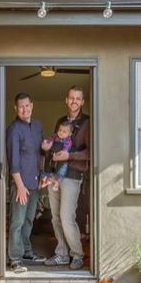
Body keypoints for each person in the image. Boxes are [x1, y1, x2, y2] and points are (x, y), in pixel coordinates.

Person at [43, 86, 90, 270]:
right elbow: (56, 145)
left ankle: (77, 255)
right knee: (55, 217)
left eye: (78, 98)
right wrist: (47, 168)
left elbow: (89, 152)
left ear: (82, 102)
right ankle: (61, 253)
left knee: (66, 216)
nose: (74, 101)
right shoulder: (60, 121)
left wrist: (69, 156)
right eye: (71, 98)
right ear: (66, 100)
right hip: (55, 174)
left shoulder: (87, 122)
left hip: (72, 175)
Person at [6, 93, 46, 273]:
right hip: (20, 184)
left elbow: (40, 154)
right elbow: (13, 160)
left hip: (35, 182)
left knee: (29, 219)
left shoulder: (38, 126)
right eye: (20, 107)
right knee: (18, 221)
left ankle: (27, 252)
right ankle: (15, 259)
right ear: (16, 109)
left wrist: (42, 175)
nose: (24, 109)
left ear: (32, 105)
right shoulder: (14, 129)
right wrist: (20, 186)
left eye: (27, 106)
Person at [40, 121, 74, 191]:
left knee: (62, 170)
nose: (61, 133)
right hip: (53, 157)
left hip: (61, 159)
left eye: (64, 132)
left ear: (69, 134)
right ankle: (45, 179)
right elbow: (50, 141)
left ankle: (57, 183)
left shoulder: (68, 141)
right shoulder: (55, 136)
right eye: (60, 130)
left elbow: (66, 149)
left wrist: (63, 152)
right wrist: (47, 143)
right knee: (47, 166)